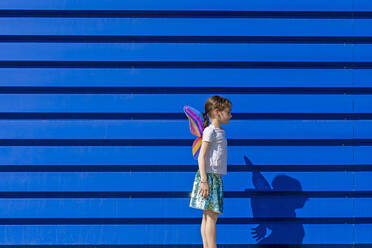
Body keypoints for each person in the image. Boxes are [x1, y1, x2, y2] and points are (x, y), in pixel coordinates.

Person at [189, 95, 232, 248]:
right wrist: (204, 181)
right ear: (217, 112)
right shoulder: (210, 131)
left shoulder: (220, 131)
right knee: (211, 216)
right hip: (208, 178)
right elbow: (201, 157)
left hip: (214, 178)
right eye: (228, 112)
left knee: (208, 216)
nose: (230, 115)